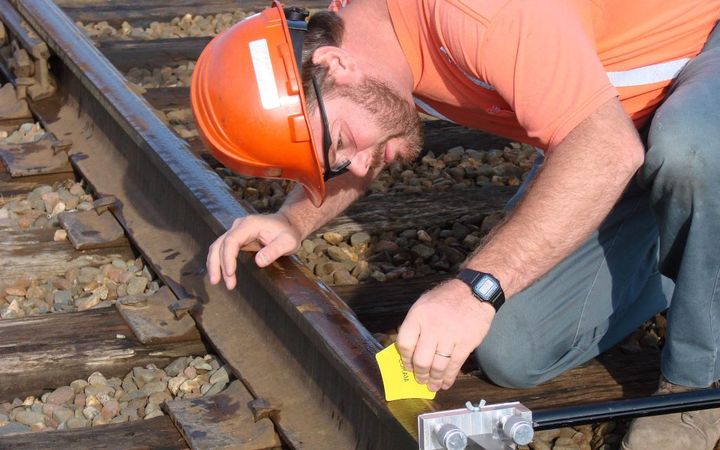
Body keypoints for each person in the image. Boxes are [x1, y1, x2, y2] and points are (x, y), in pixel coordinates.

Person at [192, 1, 720, 448]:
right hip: (613, 120)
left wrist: (476, 289)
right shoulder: (364, 38)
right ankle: (691, 242)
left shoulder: (476, 12)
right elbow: (361, 135)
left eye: (339, 146)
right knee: (514, 352)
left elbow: (604, 150)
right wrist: (292, 218)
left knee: (692, 151)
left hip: (699, 52)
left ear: (335, 64)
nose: (353, 167)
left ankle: (698, 388)